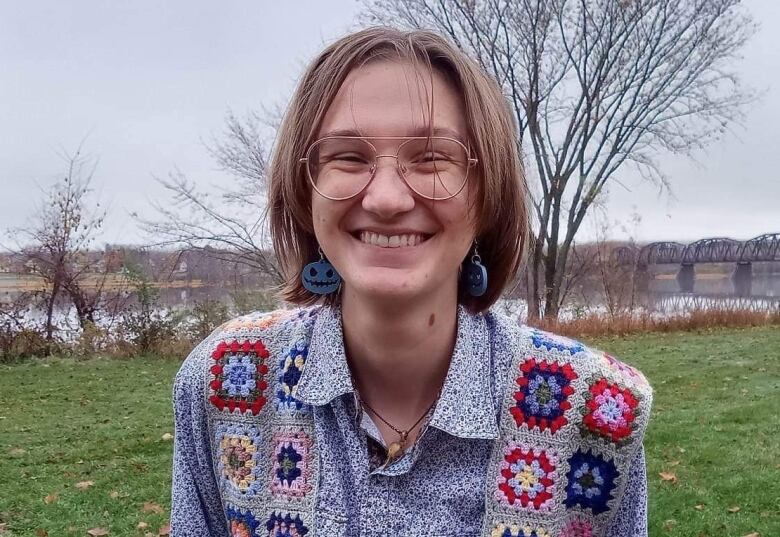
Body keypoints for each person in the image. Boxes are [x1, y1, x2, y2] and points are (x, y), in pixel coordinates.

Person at [171, 27, 652, 537]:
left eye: (431, 158)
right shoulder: (225, 384)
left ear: (487, 195)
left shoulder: (596, 410)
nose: (386, 198)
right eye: (348, 157)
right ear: (303, 188)